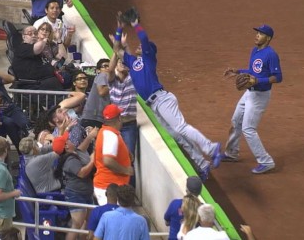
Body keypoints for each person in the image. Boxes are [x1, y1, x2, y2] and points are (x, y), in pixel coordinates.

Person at [111, 12, 221, 180]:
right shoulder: (133, 62)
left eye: (143, 47)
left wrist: (135, 25)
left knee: (181, 128)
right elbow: (117, 50)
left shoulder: (148, 58)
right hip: (154, 105)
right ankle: (202, 163)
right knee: (177, 135)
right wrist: (119, 28)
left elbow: (144, 39)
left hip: (162, 99)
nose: (139, 46)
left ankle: (212, 149)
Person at [222, 24, 282, 174]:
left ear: (268, 38)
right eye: (257, 33)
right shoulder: (254, 50)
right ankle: (232, 153)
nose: (257, 35)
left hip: (260, 97)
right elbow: (252, 71)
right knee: (236, 121)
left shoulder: (271, 54)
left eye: (261, 34)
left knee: (248, 128)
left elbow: (278, 77)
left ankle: (266, 161)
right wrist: (237, 71)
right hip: (249, 93)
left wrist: (258, 82)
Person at [55, 126, 98, 240]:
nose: (70, 140)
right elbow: (82, 173)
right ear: (66, 146)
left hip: (86, 193)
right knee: (77, 224)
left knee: (90, 222)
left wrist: (90, 136)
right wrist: (93, 160)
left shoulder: (74, 152)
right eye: (68, 140)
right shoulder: (70, 160)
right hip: (76, 194)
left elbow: (82, 147)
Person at [93, 104, 133, 205]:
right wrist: (126, 170)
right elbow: (108, 161)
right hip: (108, 189)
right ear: (119, 118)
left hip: (110, 188)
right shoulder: (110, 136)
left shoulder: (107, 132)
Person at [12, 26, 64, 90]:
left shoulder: (41, 50)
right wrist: (45, 39)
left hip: (51, 82)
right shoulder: (22, 48)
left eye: (35, 33)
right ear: (23, 36)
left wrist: (59, 39)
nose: (33, 35)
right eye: (30, 34)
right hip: (37, 89)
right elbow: (38, 48)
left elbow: (62, 56)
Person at [33, 0, 76, 64]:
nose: (55, 10)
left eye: (57, 8)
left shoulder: (60, 22)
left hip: (58, 55)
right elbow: (33, 43)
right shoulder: (39, 23)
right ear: (46, 10)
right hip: (43, 57)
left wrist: (69, 35)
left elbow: (65, 45)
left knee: (73, 64)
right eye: (52, 8)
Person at [164, 176, 202, 240]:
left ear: (186, 190)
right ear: (200, 192)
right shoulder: (203, 209)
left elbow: (166, 221)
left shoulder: (175, 204)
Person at [80, 58, 111, 128]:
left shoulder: (108, 79)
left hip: (95, 118)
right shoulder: (102, 75)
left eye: (109, 66)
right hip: (94, 117)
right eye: (105, 66)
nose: (108, 68)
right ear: (98, 70)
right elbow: (101, 91)